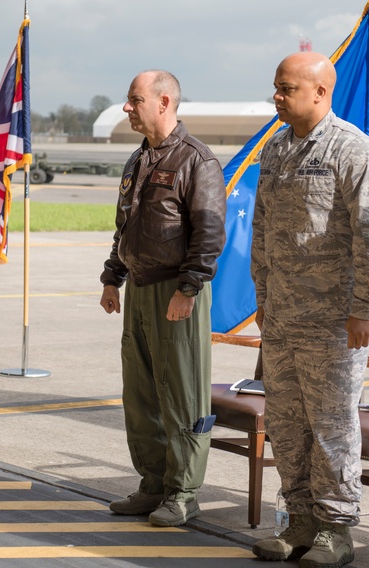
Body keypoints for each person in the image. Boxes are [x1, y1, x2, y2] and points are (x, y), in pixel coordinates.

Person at [250, 51, 369, 568]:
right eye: (276, 86)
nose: (277, 96)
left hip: (335, 325)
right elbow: (262, 230)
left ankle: (336, 529)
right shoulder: (276, 150)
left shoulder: (353, 151)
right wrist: (263, 298)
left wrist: (366, 306)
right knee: (288, 427)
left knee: (332, 428)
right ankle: (299, 521)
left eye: (286, 88)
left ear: (320, 92)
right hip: (284, 318)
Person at [99, 70, 226, 527]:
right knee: (141, 394)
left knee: (183, 396)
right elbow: (124, 225)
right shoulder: (139, 160)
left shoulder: (197, 160)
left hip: (176, 293)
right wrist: (112, 277)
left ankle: (184, 492)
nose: (127, 108)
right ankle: (153, 484)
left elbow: (209, 234)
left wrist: (189, 287)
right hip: (138, 288)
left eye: (134, 100)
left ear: (164, 101)